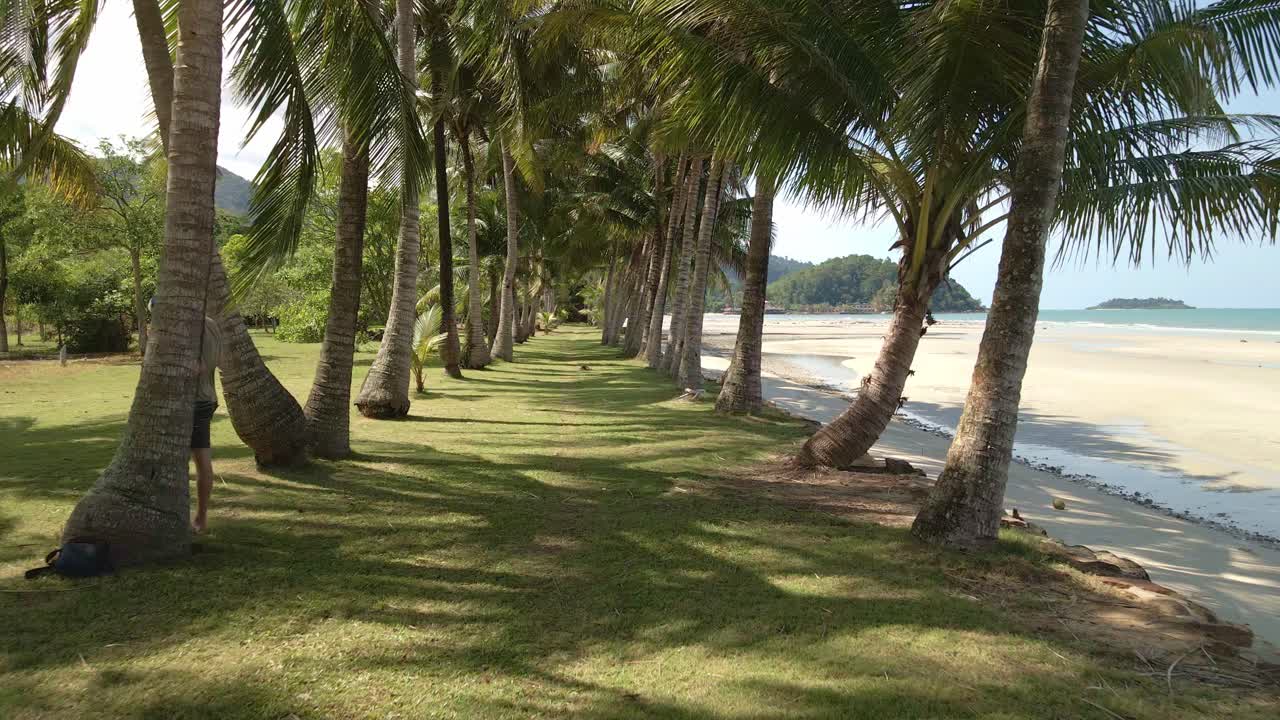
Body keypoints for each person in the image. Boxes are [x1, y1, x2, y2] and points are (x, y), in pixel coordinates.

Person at [149, 298, 223, 534]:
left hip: (193, 402)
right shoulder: (211, 323)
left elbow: (197, 366)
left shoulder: (189, 328)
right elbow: (216, 360)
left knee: (199, 461)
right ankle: (196, 517)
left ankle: (199, 520)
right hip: (208, 398)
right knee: (200, 461)